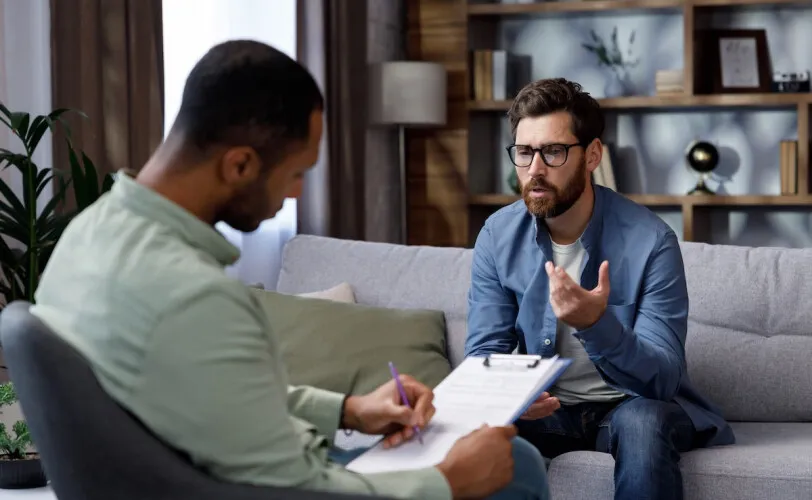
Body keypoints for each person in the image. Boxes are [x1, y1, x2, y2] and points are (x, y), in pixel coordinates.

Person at [30, 40, 550, 500]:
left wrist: (348, 410)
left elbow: (210, 390)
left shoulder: (87, 235)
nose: (297, 192)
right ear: (239, 164)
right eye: (296, 172)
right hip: (257, 485)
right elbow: (295, 489)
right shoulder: (192, 295)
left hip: (196, 469)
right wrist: (448, 482)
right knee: (517, 465)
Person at [464, 77, 736, 500]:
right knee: (471, 428)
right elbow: (484, 354)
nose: (534, 169)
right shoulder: (497, 235)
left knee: (644, 422)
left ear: (592, 155)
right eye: (524, 152)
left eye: (553, 151)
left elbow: (662, 380)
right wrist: (509, 396)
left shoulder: (652, 242)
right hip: (547, 411)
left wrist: (596, 325)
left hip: (628, 406)